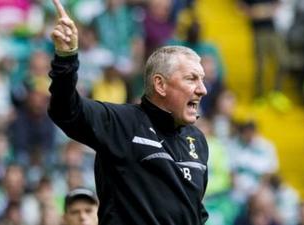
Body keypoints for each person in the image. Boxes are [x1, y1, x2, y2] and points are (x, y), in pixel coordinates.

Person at [48, 0, 209, 224]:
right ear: (160, 85)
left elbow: (195, 212)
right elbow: (65, 109)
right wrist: (66, 59)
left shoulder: (197, 140)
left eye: (202, 79)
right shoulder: (120, 122)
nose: (202, 89)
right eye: (191, 78)